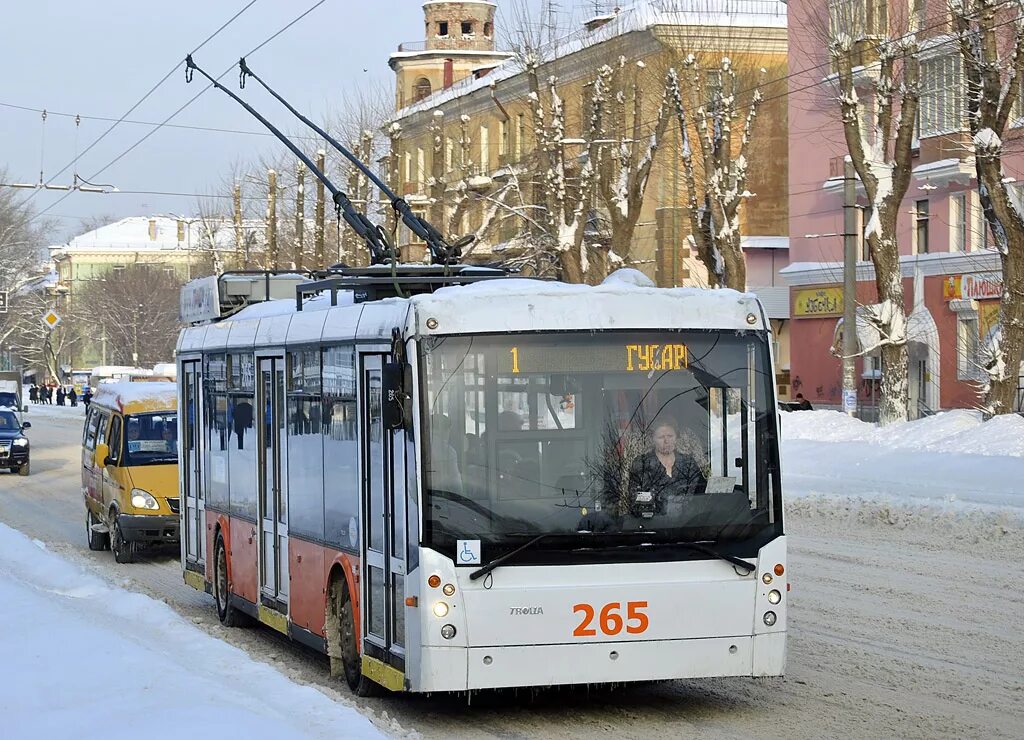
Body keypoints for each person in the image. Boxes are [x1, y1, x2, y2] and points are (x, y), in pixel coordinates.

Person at [628, 419, 706, 514]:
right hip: (653, 523)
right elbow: (636, 500)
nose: (666, 441)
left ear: (676, 437)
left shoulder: (688, 463)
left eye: (670, 436)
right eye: (661, 437)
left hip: (687, 522)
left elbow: (701, 494)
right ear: (653, 439)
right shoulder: (642, 464)